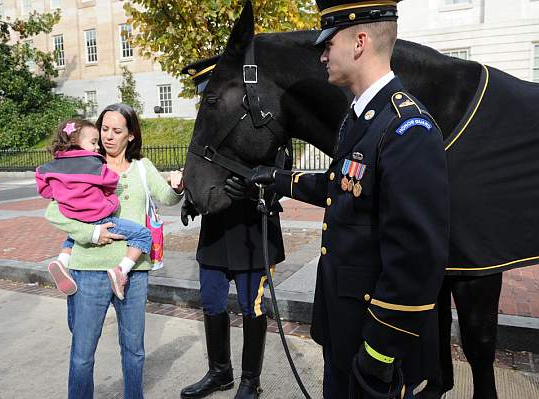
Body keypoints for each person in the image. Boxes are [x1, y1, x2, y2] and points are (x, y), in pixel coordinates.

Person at [249, 1, 450, 398]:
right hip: (344, 330)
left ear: (360, 42)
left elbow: (416, 261)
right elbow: (341, 185)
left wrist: (378, 353)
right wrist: (277, 179)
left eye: (328, 43)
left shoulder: (407, 127)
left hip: (374, 346)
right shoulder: (359, 118)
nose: (322, 54)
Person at [44, 103, 184, 399]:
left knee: (134, 350)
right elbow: (55, 212)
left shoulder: (142, 168)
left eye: (116, 130)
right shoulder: (85, 163)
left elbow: (168, 198)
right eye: (104, 129)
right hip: (89, 270)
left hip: (134, 273)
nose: (108, 136)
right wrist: (91, 233)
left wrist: (178, 186)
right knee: (83, 353)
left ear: (131, 135)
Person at [178, 57, 287, 399]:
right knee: (211, 301)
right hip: (216, 233)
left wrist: (257, 188)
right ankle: (220, 373)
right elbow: (200, 171)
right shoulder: (207, 129)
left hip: (252, 232)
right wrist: (193, 199)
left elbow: (282, 173)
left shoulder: (262, 123)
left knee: (251, 306)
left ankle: (250, 382)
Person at [36, 118, 153, 299]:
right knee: (143, 235)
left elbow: (44, 189)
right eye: (93, 142)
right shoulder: (93, 163)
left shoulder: (52, 166)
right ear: (76, 143)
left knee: (72, 237)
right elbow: (111, 181)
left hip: (74, 216)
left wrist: (62, 193)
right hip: (100, 218)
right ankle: (121, 270)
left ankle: (61, 261)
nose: (98, 147)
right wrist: (106, 196)